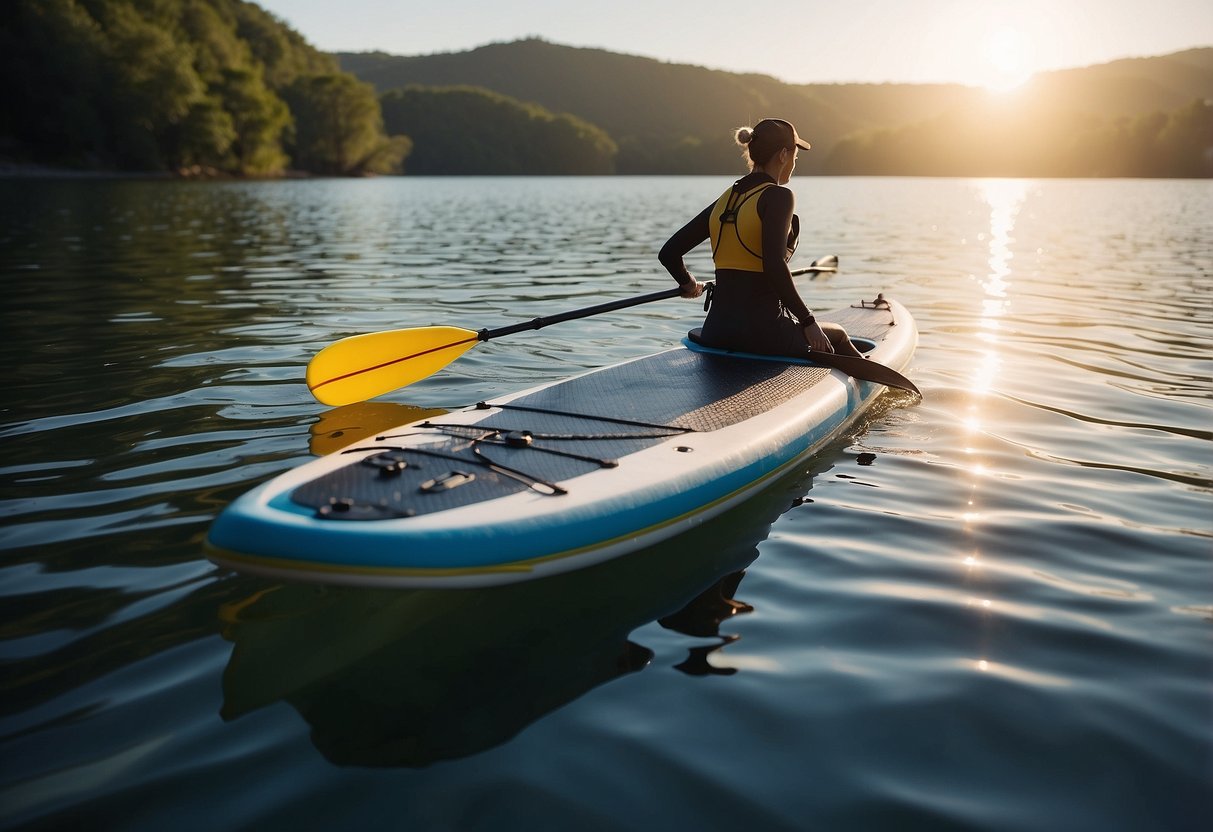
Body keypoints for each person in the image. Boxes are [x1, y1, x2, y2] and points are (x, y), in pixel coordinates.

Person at [659, 117, 862, 358]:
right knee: (837, 334)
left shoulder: (726, 199)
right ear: (784, 155)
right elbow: (774, 265)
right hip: (764, 335)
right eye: (796, 155)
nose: (795, 162)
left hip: (716, 332)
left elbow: (669, 253)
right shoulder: (778, 196)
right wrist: (808, 321)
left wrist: (688, 283)